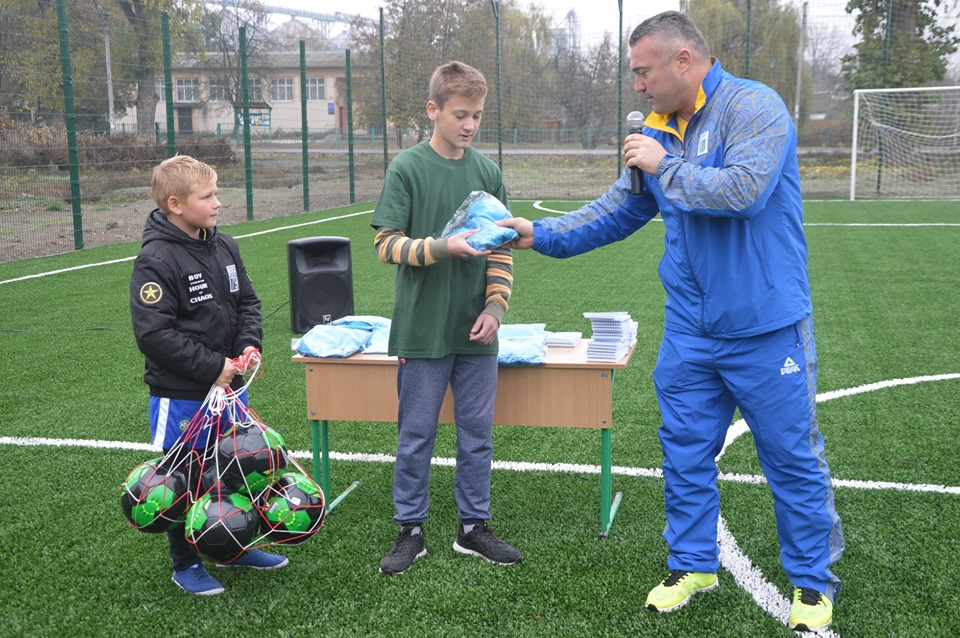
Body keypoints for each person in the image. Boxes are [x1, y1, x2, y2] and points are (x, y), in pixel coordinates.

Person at [498, 11, 843, 632]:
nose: (637, 87)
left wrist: (666, 166)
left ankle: (812, 582)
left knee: (790, 458)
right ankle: (692, 564)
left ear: (683, 60)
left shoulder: (754, 108)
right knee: (683, 453)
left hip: (766, 329)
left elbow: (743, 192)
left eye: (642, 72)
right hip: (690, 331)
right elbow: (620, 208)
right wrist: (538, 233)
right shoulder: (655, 130)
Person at [371, 61, 522, 575]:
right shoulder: (407, 168)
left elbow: (501, 252)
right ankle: (410, 529)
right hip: (422, 328)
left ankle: (472, 528)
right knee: (416, 433)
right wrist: (441, 247)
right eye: (461, 114)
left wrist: (496, 308)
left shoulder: (488, 172)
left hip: (477, 333)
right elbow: (385, 243)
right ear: (433, 110)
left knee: (477, 433)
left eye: (477, 115)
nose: (470, 125)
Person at [130, 155, 287, 596]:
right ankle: (185, 564)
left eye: (217, 193)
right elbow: (154, 335)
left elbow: (248, 304)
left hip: (230, 388)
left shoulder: (225, 245)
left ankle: (232, 546)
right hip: (182, 393)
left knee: (234, 470)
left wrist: (245, 347)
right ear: (176, 204)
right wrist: (213, 367)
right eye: (208, 196)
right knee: (185, 480)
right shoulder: (155, 260)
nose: (218, 203)